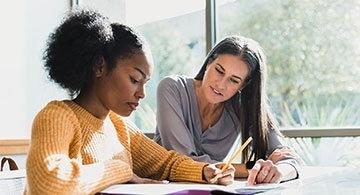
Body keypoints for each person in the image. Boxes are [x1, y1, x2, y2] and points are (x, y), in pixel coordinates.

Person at [25, 10, 235, 194]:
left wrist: (205, 171)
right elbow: (50, 184)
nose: (142, 93)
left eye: (145, 83)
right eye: (135, 80)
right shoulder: (57, 116)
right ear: (100, 66)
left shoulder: (118, 126)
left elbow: (166, 164)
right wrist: (122, 169)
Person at [154, 36, 300, 185]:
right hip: (160, 188)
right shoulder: (172, 88)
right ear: (209, 62)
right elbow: (184, 163)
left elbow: (288, 158)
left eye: (234, 80)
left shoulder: (243, 105)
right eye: (219, 71)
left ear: (243, 85)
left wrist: (278, 172)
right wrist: (251, 169)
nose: (221, 84)